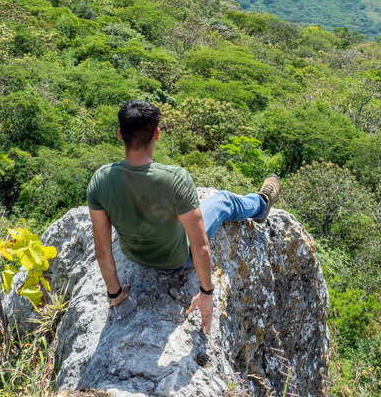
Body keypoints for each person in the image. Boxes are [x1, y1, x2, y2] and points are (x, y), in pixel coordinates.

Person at [87, 100, 281, 334]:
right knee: (223, 201)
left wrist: (115, 294)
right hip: (175, 261)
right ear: (157, 133)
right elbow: (200, 247)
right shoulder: (175, 179)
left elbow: (102, 248)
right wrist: (206, 293)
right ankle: (261, 204)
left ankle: (258, 204)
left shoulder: (101, 180)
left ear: (120, 134)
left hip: (134, 256)